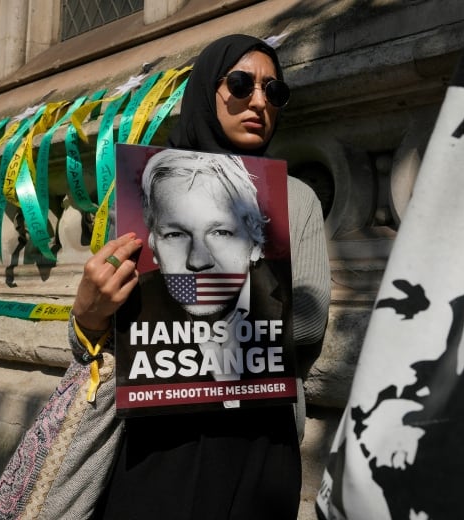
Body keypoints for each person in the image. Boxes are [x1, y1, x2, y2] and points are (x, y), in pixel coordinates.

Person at [70, 34, 330, 519]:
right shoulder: (146, 187)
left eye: (274, 92)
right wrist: (87, 312)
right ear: (207, 91)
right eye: (240, 83)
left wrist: (213, 323)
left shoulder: (295, 199)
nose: (259, 101)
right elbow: (97, 338)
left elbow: (310, 326)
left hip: (259, 438)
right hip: (156, 443)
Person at [116, 148, 292, 404]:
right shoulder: (132, 305)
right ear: (154, 245)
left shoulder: (290, 295)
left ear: (254, 244)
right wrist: (88, 317)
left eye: (220, 232)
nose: (197, 261)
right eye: (175, 235)